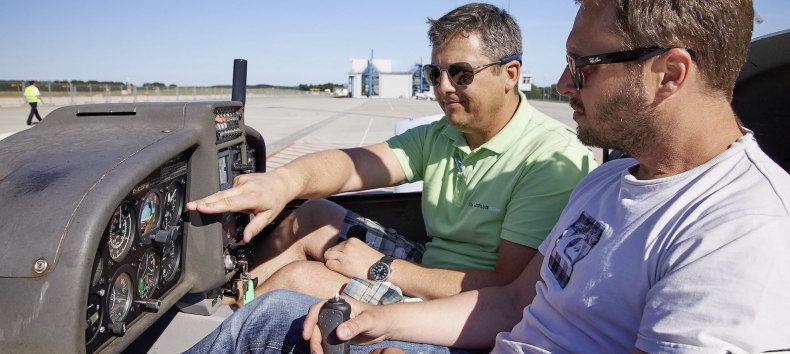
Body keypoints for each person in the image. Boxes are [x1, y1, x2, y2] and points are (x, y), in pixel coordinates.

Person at [185, 0, 790, 353]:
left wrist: (379, 277)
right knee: (276, 311)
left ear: (670, 74)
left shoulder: (740, 233)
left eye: (584, 65)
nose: (564, 83)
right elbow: (514, 302)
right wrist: (383, 319)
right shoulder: (607, 185)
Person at [188, 2, 596, 306]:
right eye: (435, 74)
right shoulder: (442, 135)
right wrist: (284, 181)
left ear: (510, 74)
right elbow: (354, 165)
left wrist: (380, 268)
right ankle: (235, 303)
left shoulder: (548, 156)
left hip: (467, 303)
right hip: (429, 266)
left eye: (461, 73)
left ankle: (239, 328)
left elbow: (505, 286)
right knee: (311, 216)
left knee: (298, 278)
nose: (443, 87)